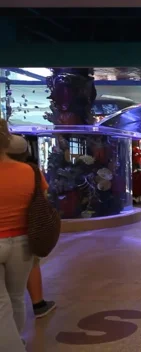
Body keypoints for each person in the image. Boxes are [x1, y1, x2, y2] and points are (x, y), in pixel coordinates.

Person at [0, 120, 49, 351]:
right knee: (16, 297)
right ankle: (16, 339)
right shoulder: (30, 172)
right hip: (22, 243)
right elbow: (42, 206)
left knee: (1, 305)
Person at [6, 135, 57, 319]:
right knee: (18, 295)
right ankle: (38, 303)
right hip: (22, 234)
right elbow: (43, 198)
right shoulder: (31, 171)